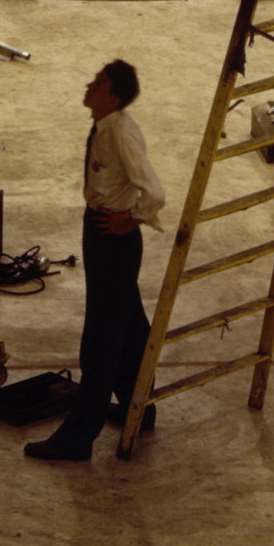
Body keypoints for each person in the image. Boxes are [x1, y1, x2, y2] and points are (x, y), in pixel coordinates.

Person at [26, 59, 166, 463]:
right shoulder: (104, 126)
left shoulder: (121, 131)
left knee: (101, 339)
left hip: (113, 238)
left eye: (100, 83)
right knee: (132, 326)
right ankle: (141, 406)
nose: (90, 85)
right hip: (101, 232)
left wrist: (130, 219)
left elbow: (153, 192)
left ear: (114, 97)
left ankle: (78, 437)